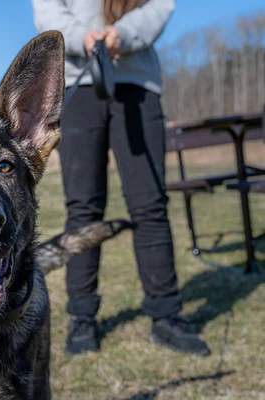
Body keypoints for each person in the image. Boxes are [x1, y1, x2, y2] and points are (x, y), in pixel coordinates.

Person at [32, 0, 211, 356]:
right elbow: (47, 12)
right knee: (83, 206)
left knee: (150, 204)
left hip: (137, 86)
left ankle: (166, 316)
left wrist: (122, 34)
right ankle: (82, 318)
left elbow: (162, 4)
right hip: (79, 85)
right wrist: (85, 37)